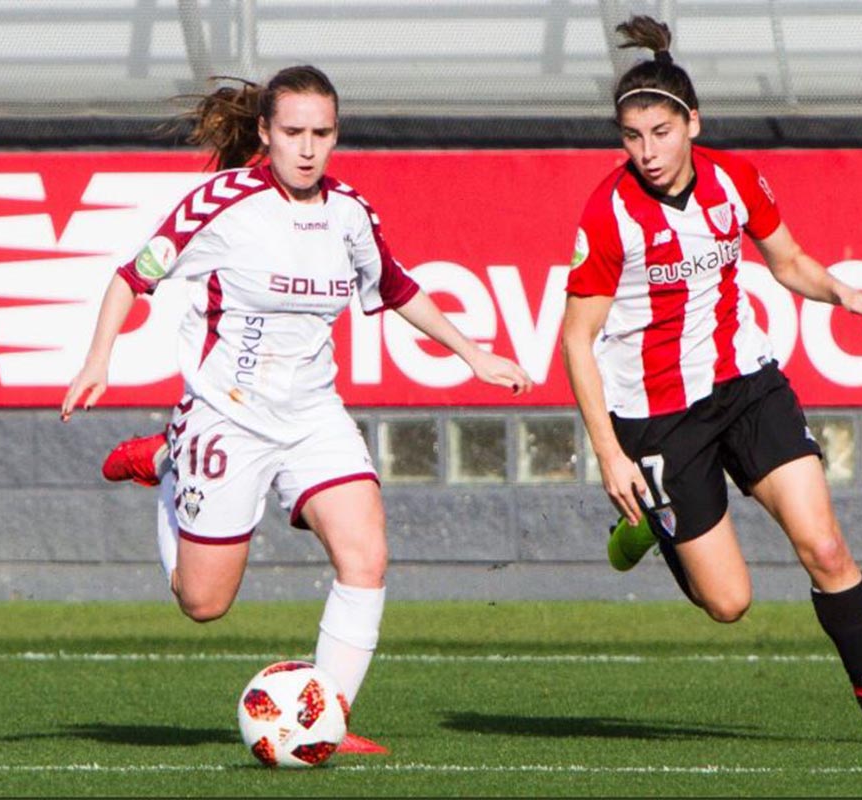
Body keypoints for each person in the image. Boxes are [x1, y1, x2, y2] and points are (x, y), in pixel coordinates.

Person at [61, 65, 532, 754]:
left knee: (366, 555)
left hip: (312, 415)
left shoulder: (351, 214)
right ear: (264, 133)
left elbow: (398, 289)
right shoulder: (222, 204)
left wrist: (472, 353)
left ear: (336, 134)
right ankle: (169, 464)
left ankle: (326, 720)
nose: (307, 148)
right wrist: (98, 358)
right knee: (204, 604)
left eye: (321, 133)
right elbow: (133, 278)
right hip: (228, 415)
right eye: (292, 133)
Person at [559, 16, 862, 746]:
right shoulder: (608, 214)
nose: (646, 151)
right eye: (632, 136)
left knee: (826, 546)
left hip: (746, 384)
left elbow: (787, 259)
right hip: (658, 415)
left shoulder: (735, 178)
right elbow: (577, 341)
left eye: (661, 132)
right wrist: (609, 453)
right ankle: (646, 518)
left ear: (692, 124)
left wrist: (841, 292)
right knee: (729, 603)